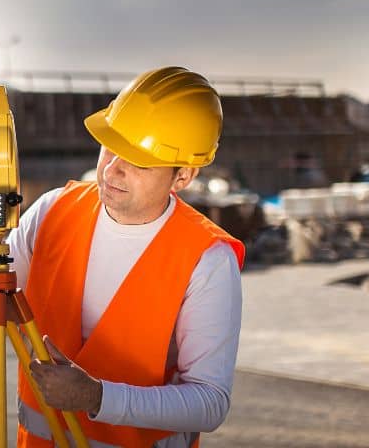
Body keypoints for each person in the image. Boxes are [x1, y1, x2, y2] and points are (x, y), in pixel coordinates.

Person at [14, 66, 245, 448]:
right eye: (111, 146)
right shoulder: (52, 211)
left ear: (183, 175)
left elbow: (210, 402)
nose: (112, 169)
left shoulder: (207, 259)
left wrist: (97, 397)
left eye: (138, 160)